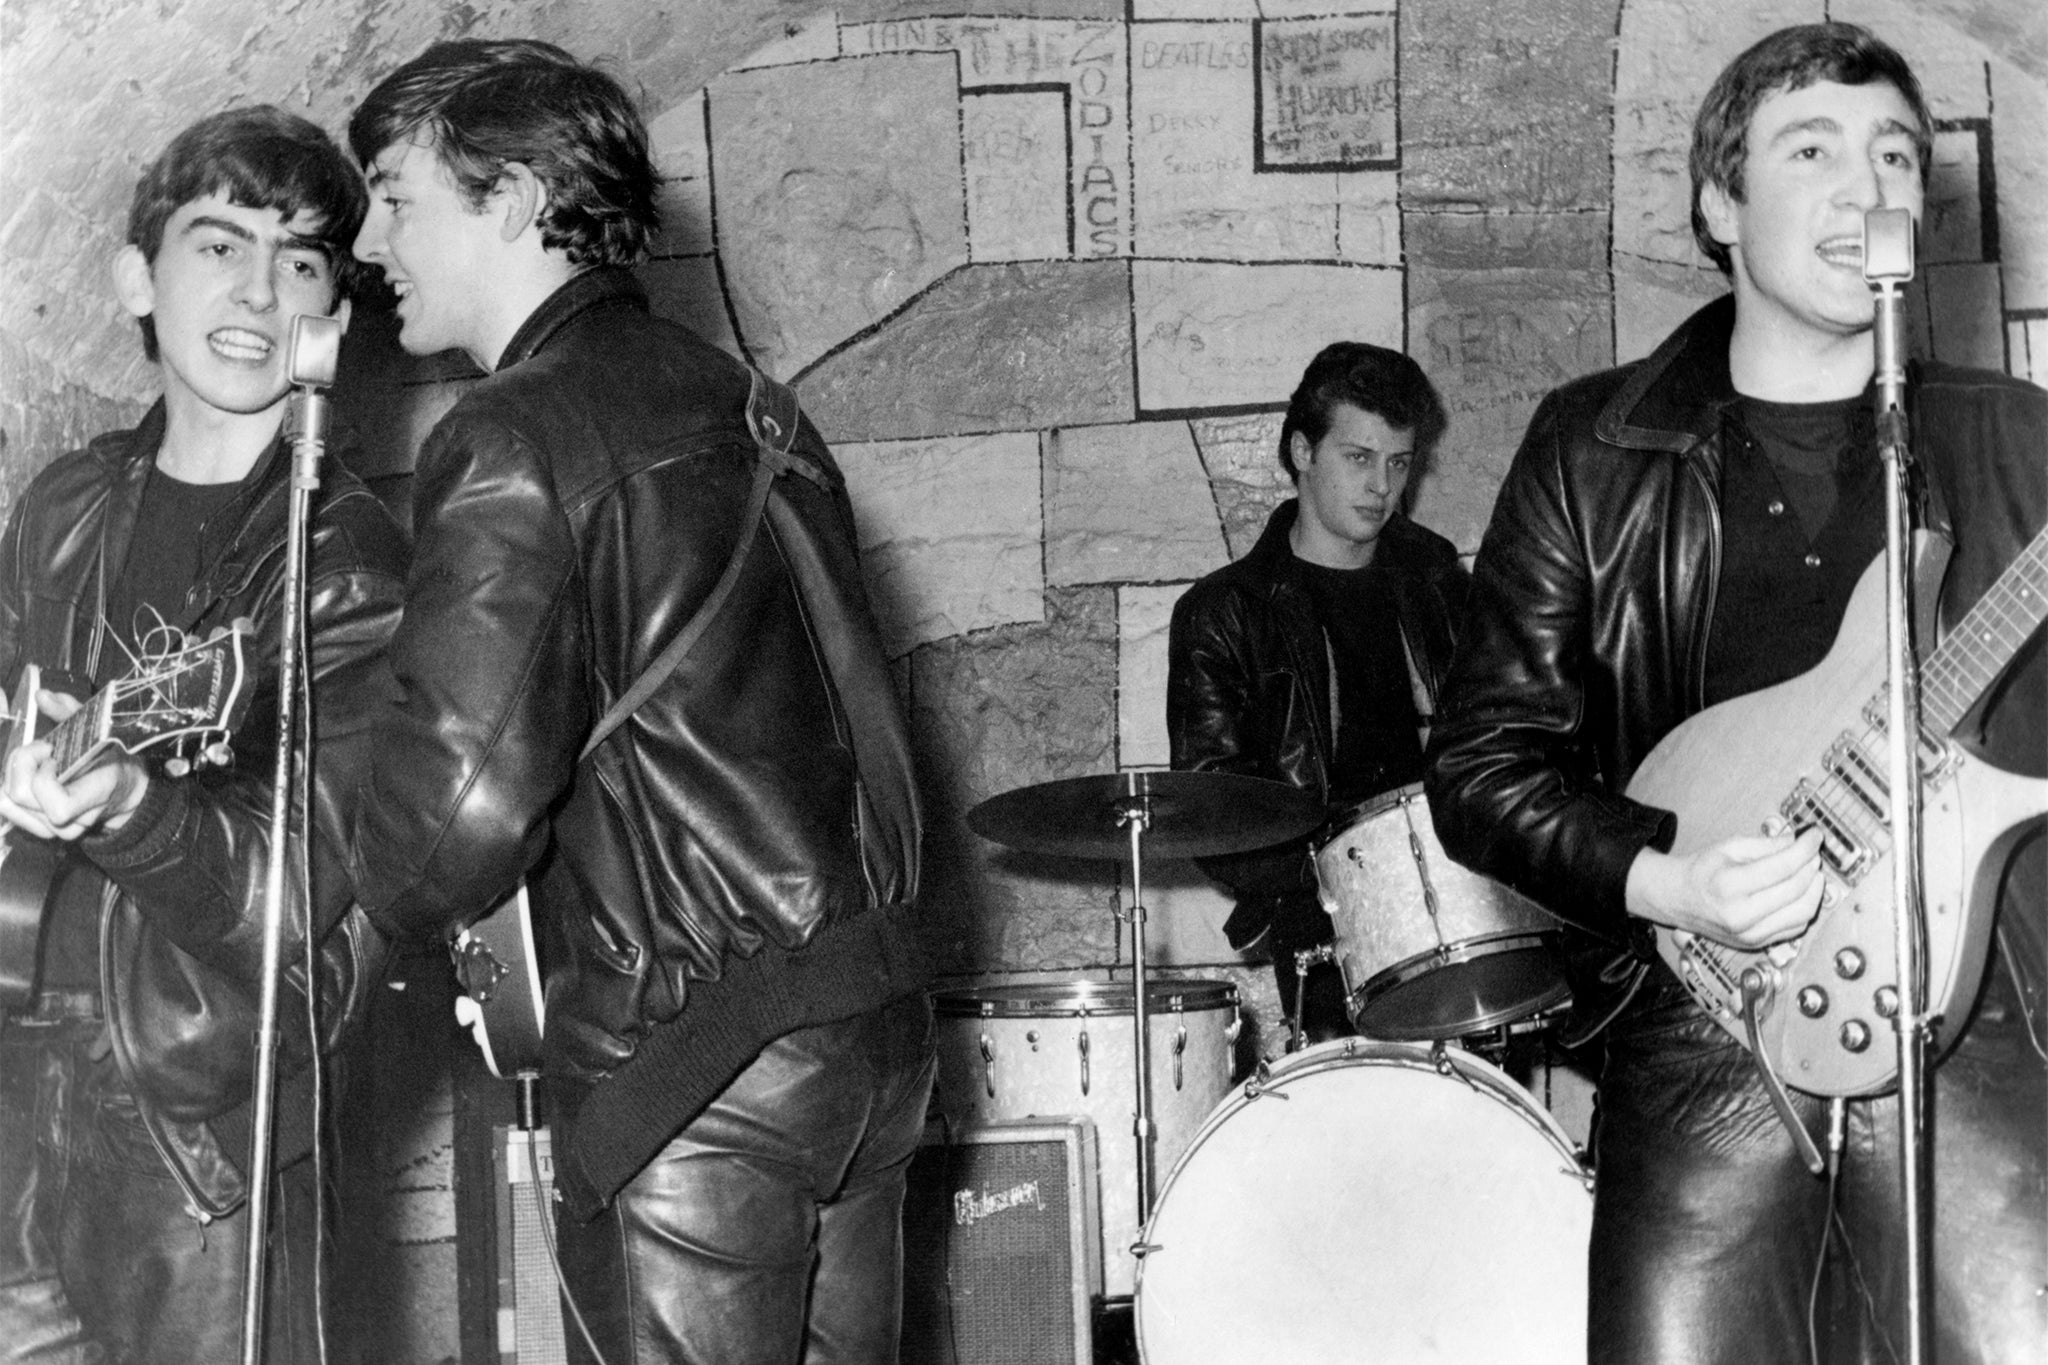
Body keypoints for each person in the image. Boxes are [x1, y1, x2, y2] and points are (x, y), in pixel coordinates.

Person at [1426, 22, 2045, 1364]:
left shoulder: (2017, 440)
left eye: (1893, 153)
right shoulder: (1598, 450)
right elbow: (1482, 768)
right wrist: (1671, 883)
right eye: (1809, 149)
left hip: (1979, 1013)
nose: (1864, 185)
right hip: (1708, 1019)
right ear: (1721, 200)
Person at [342, 40, 933, 1365]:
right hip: (866, 1039)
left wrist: (329, 898)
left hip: (699, 1070)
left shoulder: (506, 433)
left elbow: (455, 820)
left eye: (397, 192)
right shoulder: (758, 404)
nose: (374, 238)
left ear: (507, 196)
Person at [0, 107, 407, 1363]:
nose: (256, 288)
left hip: (193, 1119)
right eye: (216, 243)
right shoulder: (68, 503)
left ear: (333, 309)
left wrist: (136, 806)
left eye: (298, 260)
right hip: (18, 1085)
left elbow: (298, 917)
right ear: (137, 275)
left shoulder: (339, 564)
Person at [1167, 343, 1470, 1043]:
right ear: (1302, 451)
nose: (1382, 487)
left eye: (1399, 462)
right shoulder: (1226, 613)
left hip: (1459, 899)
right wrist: (1357, 867)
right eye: (1359, 458)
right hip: (1322, 925)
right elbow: (1217, 816)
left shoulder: (1435, 578)